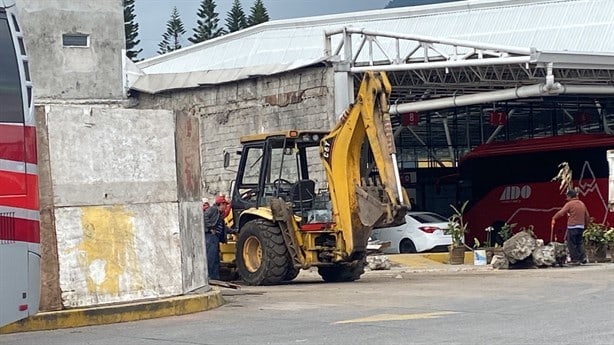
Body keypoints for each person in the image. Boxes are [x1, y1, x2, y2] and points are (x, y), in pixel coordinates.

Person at [552, 189, 590, 265]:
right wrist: (585, 225)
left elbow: (561, 213)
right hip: (581, 226)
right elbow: (587, 215)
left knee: (571, 243)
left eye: (567, 196)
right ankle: (582, 258)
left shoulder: (569, 204)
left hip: (573, 226)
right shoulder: (581, 203)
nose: (566, 198)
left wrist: (554, 217)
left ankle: (575, 259)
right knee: (579, 242)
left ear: (569, 196)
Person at [203, 195, 229, 280]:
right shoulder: (213, 210)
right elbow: (204, 216)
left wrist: (233, 231)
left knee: (215, 258)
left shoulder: (220, 215)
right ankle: (211, 277)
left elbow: (223, 227)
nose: (225, 207)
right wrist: (211, 228)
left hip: (215, 237)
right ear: (221, 204)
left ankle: (215, 277)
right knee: (211, 257)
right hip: (211, 237)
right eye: (225, 205)